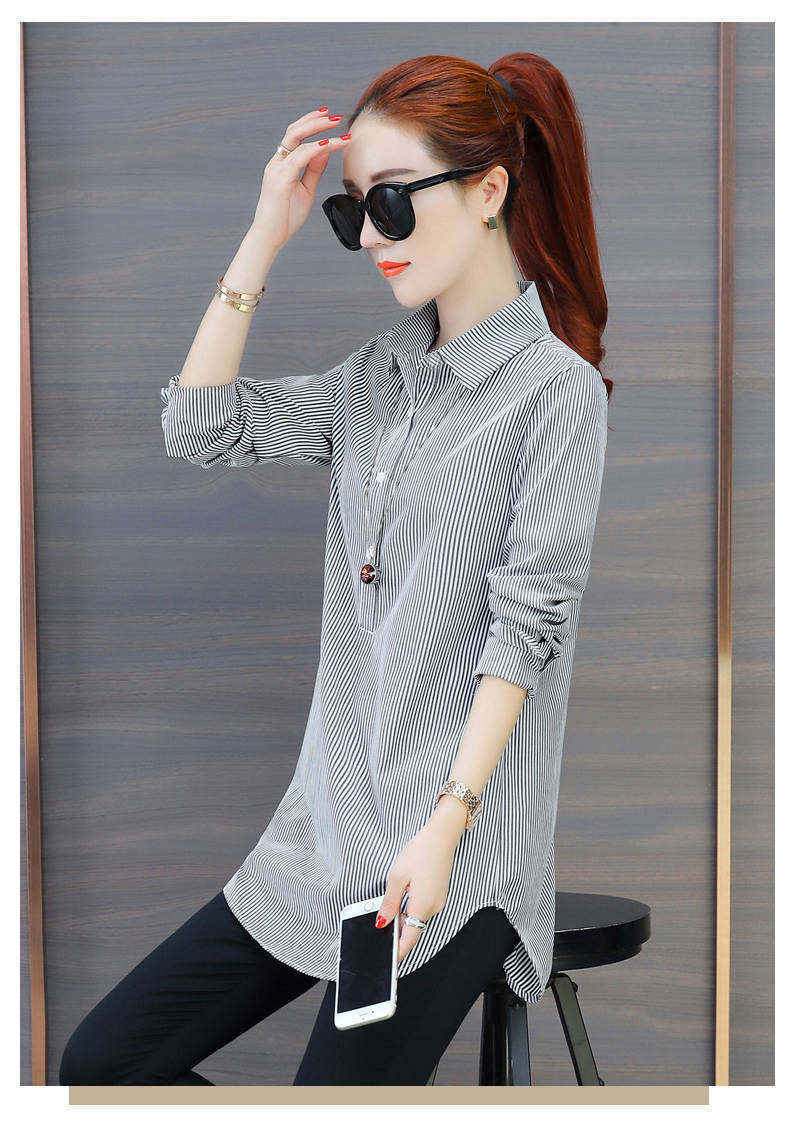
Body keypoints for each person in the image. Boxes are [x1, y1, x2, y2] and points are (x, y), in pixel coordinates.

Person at [59, 50, 611, 1087]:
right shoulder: (376, 379)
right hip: (323, 833)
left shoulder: (555, 393)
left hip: (450, 857)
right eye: (350, 212)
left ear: (489, 190)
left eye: (391, 203)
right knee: (103, 1065)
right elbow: (201, 428)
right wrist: (263, 234)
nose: (368, 237)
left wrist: (446, 825)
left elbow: (527, 628)